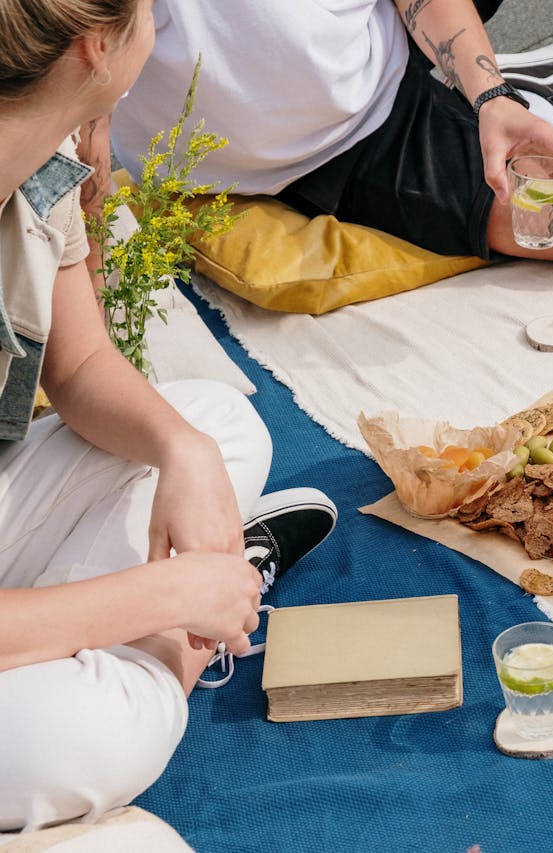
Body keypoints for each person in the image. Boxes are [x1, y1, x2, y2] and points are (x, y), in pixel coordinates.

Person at [0, 0, 337, 832]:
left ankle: (108, 636)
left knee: (219, 429)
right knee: (82, 739)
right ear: (93, 47)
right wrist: (164, 593)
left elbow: (77, 365)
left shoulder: (41, 153)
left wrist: (180, 451)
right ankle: (189, 631)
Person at [94, 0, 553, 267]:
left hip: (382, 42)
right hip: (348, 148)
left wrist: (491, 95)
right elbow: (74, 96)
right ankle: (534, 87)